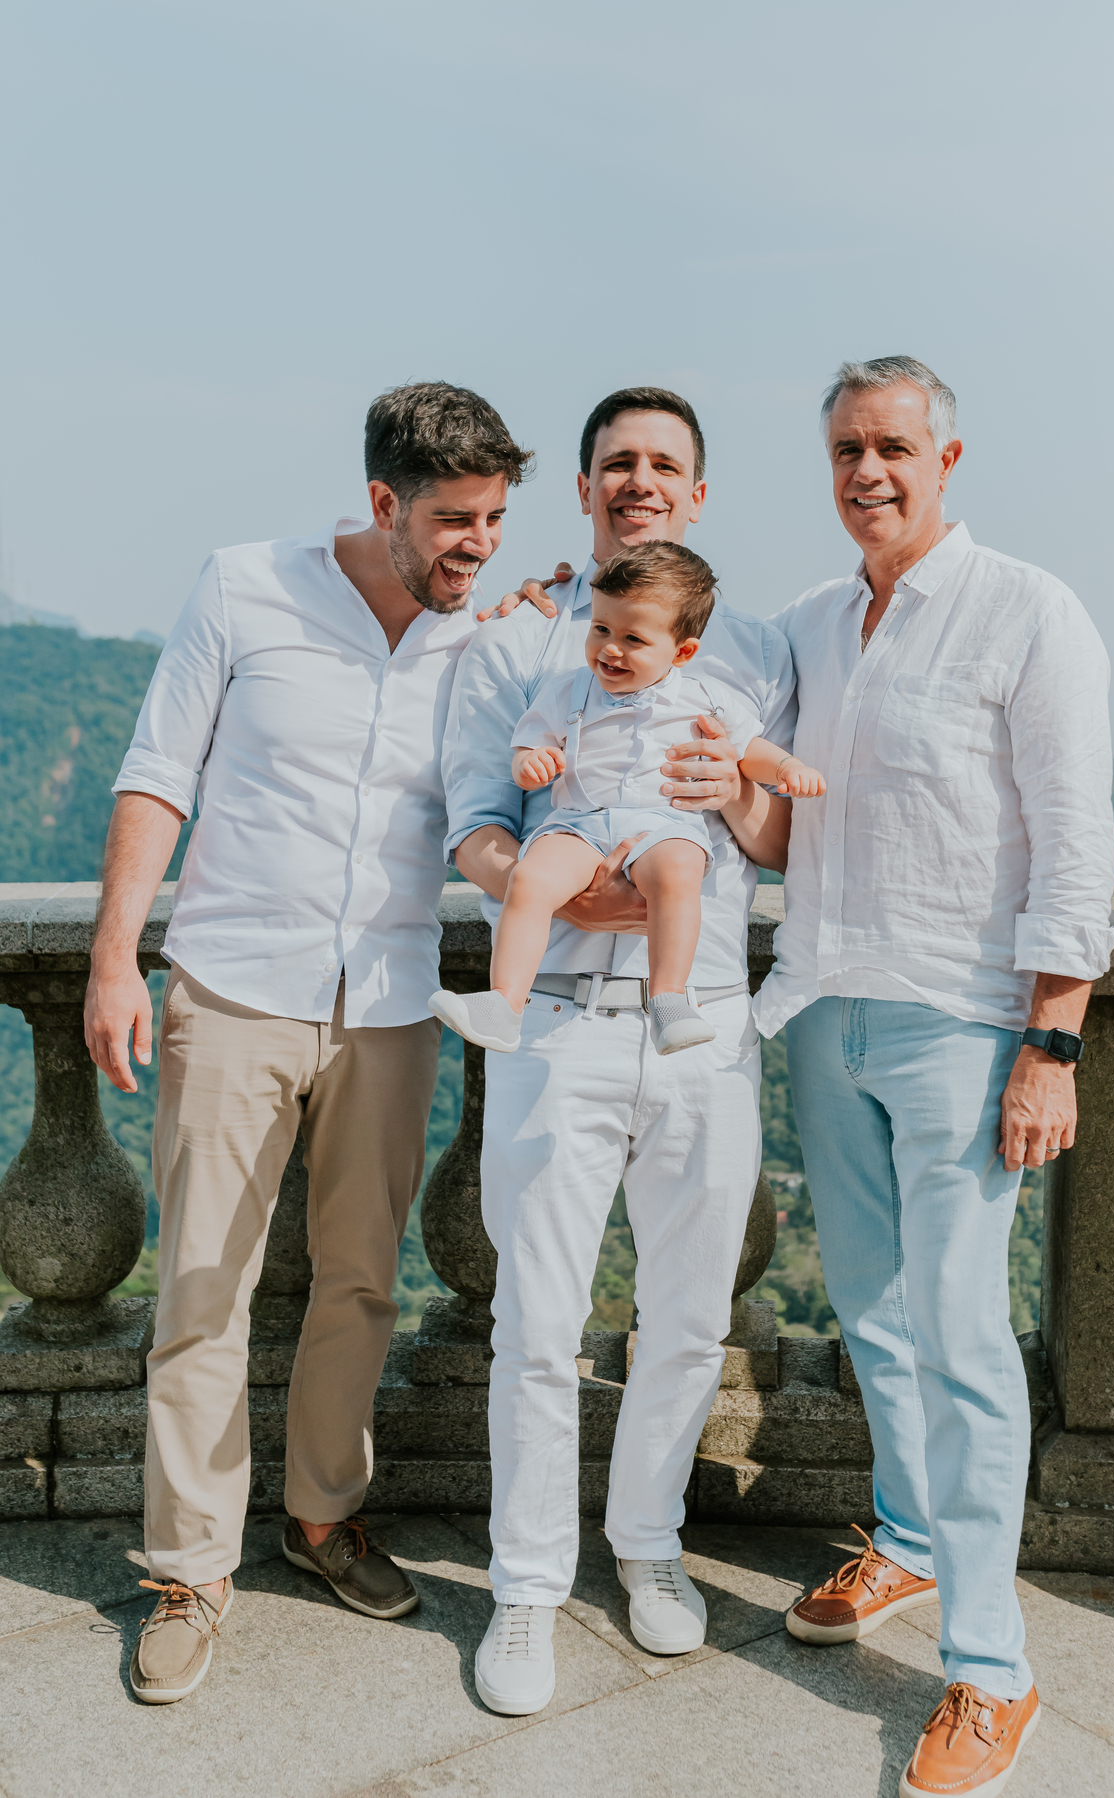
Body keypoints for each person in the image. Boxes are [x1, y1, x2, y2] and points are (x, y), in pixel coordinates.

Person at [83, 381, 531, 1704]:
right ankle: (185, 1563)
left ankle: (323, 1515)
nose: (478, 545)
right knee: (203, 1289)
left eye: (496, 519)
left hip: (389, 1005)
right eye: (456, 519)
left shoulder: (486, 637)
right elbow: (159, 770)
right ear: (384, 503)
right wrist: (118, 956)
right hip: (232, 989)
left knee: (362, 1285)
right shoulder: (243, 586)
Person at [742, 356, 1114, 1797]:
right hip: (825, 1005)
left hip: (966, 1026)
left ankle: (990, 1671)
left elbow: (1073, 842)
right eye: (845, 448)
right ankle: (905, 1538)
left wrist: (1054, 1039)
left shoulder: (1031, 609)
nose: (867, 472)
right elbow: (783, 839)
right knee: (874, 1314)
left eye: (893, 446)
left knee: (963, 1338)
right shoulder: (811, 625)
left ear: (948, 458)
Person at [442, 386, 796, 1716]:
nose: (640, 479)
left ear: (698, 495)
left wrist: (742, 794)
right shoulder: (514, 645)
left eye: (665, 465)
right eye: (617, 463)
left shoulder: (751, 648)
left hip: (699, 1023)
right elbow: (473, 825)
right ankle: (528, 1583)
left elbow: (780, 840)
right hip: (556, 1029)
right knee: (536, 1324)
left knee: (689, 1317)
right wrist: (542, 876)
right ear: (585, 488)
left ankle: (647, 1546)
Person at [433, 541, 822, 1056]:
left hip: (663, 825)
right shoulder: (568, 689)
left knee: (680, 870)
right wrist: (531, 764)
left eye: (632, 639)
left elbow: (750, 750)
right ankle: (505, 1002)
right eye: (599, 630)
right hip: (580, 822)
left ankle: (668, 998)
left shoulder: (703, 697)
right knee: (528, 876)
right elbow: (531, 742)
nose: (609, 649)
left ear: (682, 652)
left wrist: (788, 767)